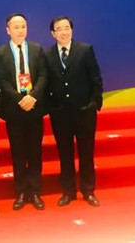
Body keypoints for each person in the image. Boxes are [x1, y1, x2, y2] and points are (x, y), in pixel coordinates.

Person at [44, 16, 103, 207]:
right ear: (53, 33)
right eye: (59, 29)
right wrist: (50, 107)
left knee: (86, 152)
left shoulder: (85, 50)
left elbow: (95, 78)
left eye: (67, 28)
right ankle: (68, 192)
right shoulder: (47, 55)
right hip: (60, 113)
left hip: (84, 111)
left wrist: (94, 104)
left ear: (72, 30)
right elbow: (46, 83)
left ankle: (88, 190)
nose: (64, 32)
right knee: (65, 154)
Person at [0, 13, 47, 211]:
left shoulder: (36, 49)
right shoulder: (0, 53)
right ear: (8, 30)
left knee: (35, 152)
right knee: (18, 152)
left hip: (34, 107)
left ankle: (35, 192)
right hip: (14, 110)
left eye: (23, 26)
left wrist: (32, 96)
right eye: (16, 27)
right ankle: (21, 192)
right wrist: (19, 99)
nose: (20, 30)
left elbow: (43, 75)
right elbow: (2, 81)